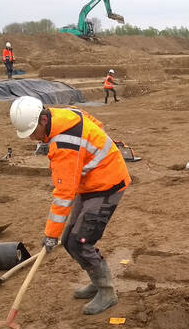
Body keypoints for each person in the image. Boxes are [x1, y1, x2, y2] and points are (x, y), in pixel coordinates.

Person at [9, 96, 131, 314]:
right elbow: (95, 122)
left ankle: (106, 291)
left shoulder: (64, 144)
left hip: (107, 184)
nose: (31, 139)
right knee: (68, 240)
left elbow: (64, 193)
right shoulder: (61, 114)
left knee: (81, 242)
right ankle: (96, 280)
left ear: (43, 121)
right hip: (91, 182)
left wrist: (50, 234)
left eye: (32, 133)